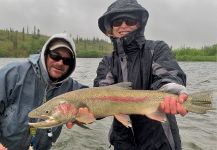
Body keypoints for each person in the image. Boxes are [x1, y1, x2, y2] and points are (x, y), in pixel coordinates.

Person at [94, 0, 188, 149]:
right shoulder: (107, 62)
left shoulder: (156, 49)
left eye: (129, 20)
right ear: (111, 28)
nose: (123, 25)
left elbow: (167, 74)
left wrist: (172, 87)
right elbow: (100, 91)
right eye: (117, 22)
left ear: (139, 24)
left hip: (160, 141)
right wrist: (86, 112)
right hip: (122, 142)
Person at [0, 33, 87, 150]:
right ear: (45, 54)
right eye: (55, 56)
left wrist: (83, 117)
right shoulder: (12, 73)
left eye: (67, 60)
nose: (60, 62)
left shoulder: (72, 88)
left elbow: (97, 100)